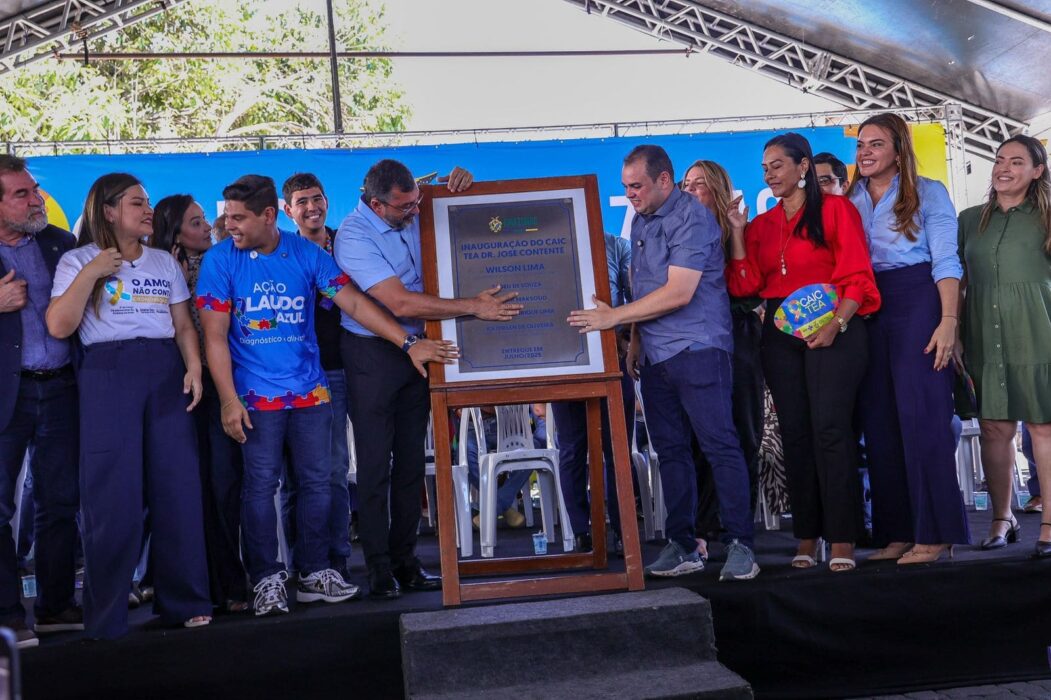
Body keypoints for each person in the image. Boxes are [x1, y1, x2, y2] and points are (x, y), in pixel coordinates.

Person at [197, 175, 453, 616]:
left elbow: (353, 303)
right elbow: (214, 338)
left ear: (268, 217)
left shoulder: (308, 255)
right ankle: (267, 579)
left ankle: (315, 573)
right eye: (227, 216)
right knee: (260, 488)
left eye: (238, 217)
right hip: (255, 399)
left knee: (320, 484)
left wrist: (409, 343)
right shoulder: (220, 262)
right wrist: (227, 399)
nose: (229, 224)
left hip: (311, 393)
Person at [569, 144, 758, 581]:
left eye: (636, 186)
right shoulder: (640, 220)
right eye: (626, 187)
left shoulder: (692, 217)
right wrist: (634, 341)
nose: (630, 194)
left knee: (720, 446)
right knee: (670, 452)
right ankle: (683, 544)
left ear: (664, 181)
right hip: (655, 355)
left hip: (699, 349)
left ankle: (741, 545)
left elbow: (679, 292)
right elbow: (643, 286)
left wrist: (612, 318)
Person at [335, 159, 522, 599]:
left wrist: (465, 188)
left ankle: (407, 560)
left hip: (425, 348)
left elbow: (471, 221)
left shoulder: (420, 205)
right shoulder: (354, 236)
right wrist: (471, 307)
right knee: (376, 466)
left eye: (417, 202)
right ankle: (378, 567)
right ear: (376, 204)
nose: (415, 212)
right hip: (373, 354)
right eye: (404, 208)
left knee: (411, 467)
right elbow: (399, 302)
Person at [47, 173, 212, 638]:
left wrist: (194, 366)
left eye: (148, 202)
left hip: (165, 371)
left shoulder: (163, 261)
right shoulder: (78, 259)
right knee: (111, 495)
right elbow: (59, 325)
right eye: (137, 203)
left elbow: (182, 324)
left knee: (177, 487)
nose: (147, 210)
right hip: (107, 375)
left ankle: (186, 601)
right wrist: (93, 271)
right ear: (108, 210)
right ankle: (107, 614)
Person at [726, 133, 880, 572]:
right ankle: (807, 538)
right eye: (765, 168)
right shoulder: (762, 225)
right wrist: (738, 233)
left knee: (831, 430)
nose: (770, 174)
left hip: (838, 326)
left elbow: (857, 276)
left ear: (803, 167)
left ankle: (844, 539)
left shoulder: (835, 209)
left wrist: (837, 325)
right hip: (780, 333)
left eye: (777, 165)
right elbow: (745, 285)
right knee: (795, 435)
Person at [848, 112, 970, 564]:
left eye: (876, 144)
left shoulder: (928, 191)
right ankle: (897, 531)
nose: (865, 152)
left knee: (922, 417)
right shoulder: (851, 196)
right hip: (866, 306)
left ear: (899, 151)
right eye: (861, 144)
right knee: (879, 424)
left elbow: (947, 261)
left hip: (919, 298)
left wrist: (948, 320)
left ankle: (936, 533)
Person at [150, 194, 248, 612]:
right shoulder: (159, 269)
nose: (207, 226)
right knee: (188, 489)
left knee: (224, 484)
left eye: (205, 219)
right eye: (195, 222)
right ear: (175, 233)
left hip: (224, 383)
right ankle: (193, 584)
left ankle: (231, 582)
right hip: (179, 387)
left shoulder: (225, 260)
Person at [0, 155, 81, 648]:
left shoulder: (59, 242)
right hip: (7, 395)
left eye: (34, 190)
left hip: (61, 388)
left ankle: (55, 606)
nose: (36, 201)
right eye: (22, 194)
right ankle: (8, 615)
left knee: (60, 502)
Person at [957, 134, 1051, 557]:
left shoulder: (1048, 217)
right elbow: (955, 281)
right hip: (983, 333)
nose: (1003, 168)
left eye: (1016, 161)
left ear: (1037, 171)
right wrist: (953, 331)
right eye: (998, 160)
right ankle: (1002, 517)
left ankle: (1049, 521)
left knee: (1042, 427)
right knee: (994, 428)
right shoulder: (969, 219)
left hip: (1039, 331)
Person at [681, 160, 763, 551]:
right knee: (699, 437)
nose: (689, 191)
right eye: (685, 184)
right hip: (695, 342)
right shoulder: (677, 234)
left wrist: (735, 232)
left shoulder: (740, 231)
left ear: (715, 190)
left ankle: (739, 533)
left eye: (697, 185)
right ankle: (700, 527)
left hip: (740, 337)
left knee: (743, 434)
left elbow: (749, 290)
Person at [280, 173, 354, 578]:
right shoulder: (282, 252)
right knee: (298, 475)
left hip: (340, 368)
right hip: (292, 374)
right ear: (287, 209)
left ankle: (338, 559)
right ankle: (304, 563)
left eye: (317, 198)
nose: (311, 207)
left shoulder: (348, 242)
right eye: (301, 201)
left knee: (334, 468)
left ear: (327, 201)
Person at [551, 231, 635, 555]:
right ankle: (582, 531)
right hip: (563, 362)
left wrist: (622, 334)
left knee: (617, 451)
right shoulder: (550, 244)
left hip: (611, 360)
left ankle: (622, 528)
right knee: (572, 450)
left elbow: (634, 300)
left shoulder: (616, 246)